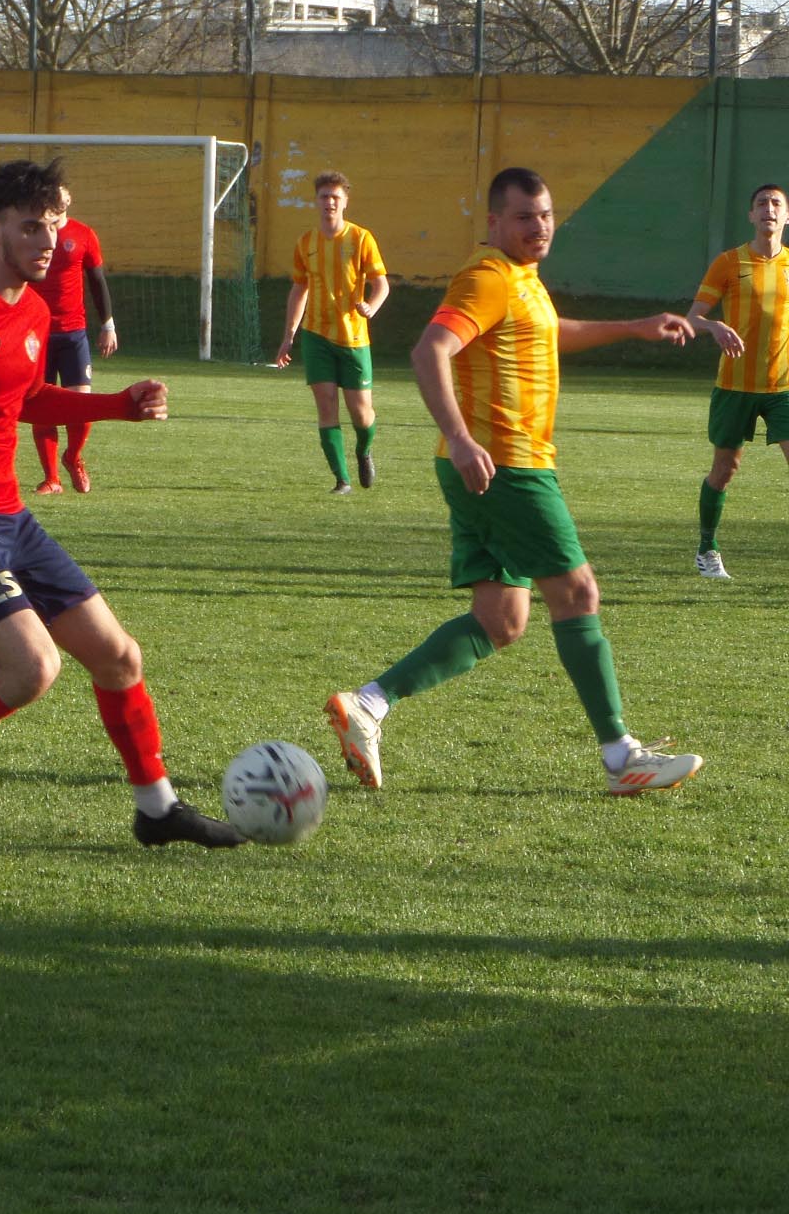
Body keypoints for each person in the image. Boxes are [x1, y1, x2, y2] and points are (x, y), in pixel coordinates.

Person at [0, 158, 243, 860]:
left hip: (9, 517)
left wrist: (116, 406)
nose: (49, 241)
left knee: (119, 656)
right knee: (34, 668)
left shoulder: (34, 310)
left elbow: (24, 398)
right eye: (31, 227)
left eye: (55, 226)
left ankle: (156, 808)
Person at [324, 166, 702, 799]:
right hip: (507, 467)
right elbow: (429, 351)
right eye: (525, 217)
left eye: (546, 214)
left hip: (485, 467)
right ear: (494, 222)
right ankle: (621, 757)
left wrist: (634, 326)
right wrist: (462, 437)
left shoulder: (521, 278)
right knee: (578, 592)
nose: (539, 226)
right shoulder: (488, 278)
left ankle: (368, 704)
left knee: (500, 619)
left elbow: (547, 333)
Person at [683, 182, 789, 581]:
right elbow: (692, 318)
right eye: (761, 203)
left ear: (787, 216)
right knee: (724, 470)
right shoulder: (729, 262)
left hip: (783, 389)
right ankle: (707, 549)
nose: (768, 209)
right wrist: (714, 326)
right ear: (751, 215)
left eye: (776, 203)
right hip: (734, 387)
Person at [275, 171, 390, 494]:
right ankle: (342, 480)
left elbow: (381, 284)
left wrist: (371, 306)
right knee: (326, 406)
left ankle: (363, 450)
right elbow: (299, 289)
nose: (329, 202)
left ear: (345, 201)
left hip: (353, 338)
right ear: (316, 201)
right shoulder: (306, 243)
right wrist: (289, 335)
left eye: (335, 197)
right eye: (324, 196)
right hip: (316, 336)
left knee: (361, 414)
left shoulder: (361, 239)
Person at [29, 186, 117, 495]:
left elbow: (97, 281)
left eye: (61, 195)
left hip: (73, 333)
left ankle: (73, 457)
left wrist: (108, 325)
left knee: (82, 405)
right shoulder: (31, 235)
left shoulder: (83, 234)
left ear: (69, 199)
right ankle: (52, 479)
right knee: (40, 407)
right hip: (36, 334)